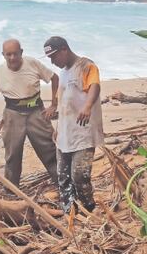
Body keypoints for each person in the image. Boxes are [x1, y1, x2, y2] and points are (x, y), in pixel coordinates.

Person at [0, 39, 60, 187]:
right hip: (12, 114)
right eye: (8, 54)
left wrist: (54, 104)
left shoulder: (32, 63)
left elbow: (55, 78)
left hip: (36, 112)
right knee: (12, 155)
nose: (12, 58)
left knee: (49, 150)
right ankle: (11, 191)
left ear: (21, 52)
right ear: (3, 55)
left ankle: (62, 183)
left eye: (15, 54)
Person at [43, 36, 103, 213]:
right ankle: (69, 210)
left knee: (79, 175)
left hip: (83, 133)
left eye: (54, 57)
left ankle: (88, 207)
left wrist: (87, 106)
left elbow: (94, 86)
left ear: (64, 50)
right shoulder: (63, 72)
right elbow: (63, 103)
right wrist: (57, 128)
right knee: (63, 176)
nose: (53, 62)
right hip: (65, 132)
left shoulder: (86, 66)